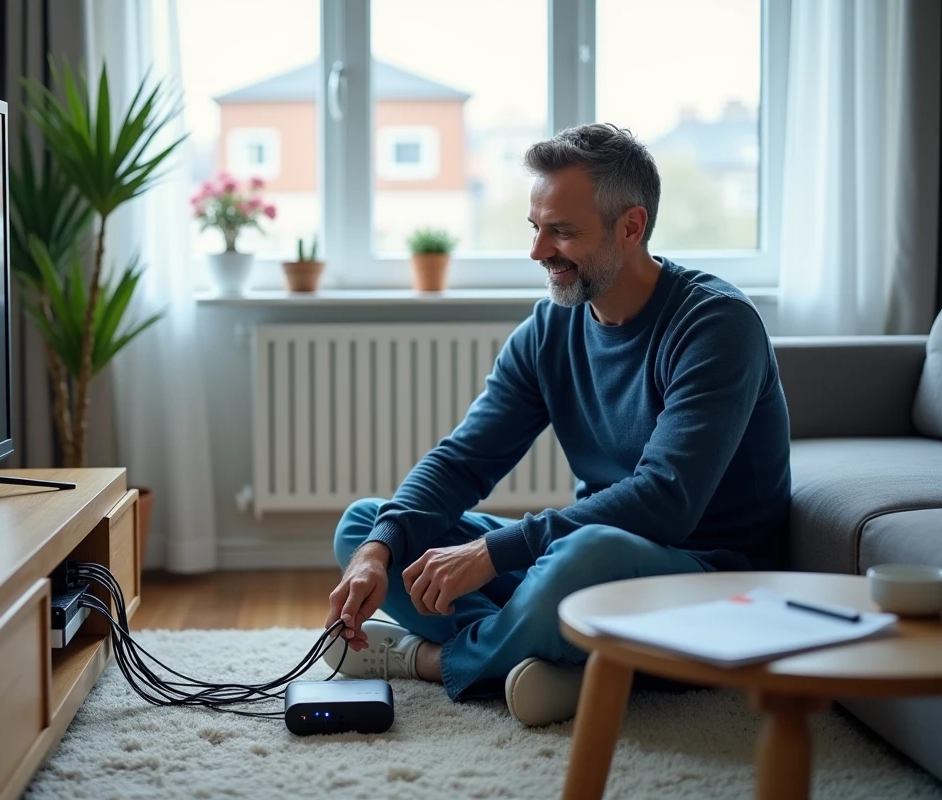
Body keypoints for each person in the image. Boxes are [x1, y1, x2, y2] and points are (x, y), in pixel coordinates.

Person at [323, 123, 791, 726]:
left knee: (581, 554)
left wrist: (495, 551)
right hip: (585, 565)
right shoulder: (550, 330)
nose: (539, 250)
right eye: (536, 228)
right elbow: (464, 460)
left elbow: (665, 500)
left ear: (631, 226)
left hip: (709, 582)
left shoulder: (715, 326)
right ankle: (546, 654)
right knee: (368, 523)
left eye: (562, 232)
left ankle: (436, 660)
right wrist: (376, 551)